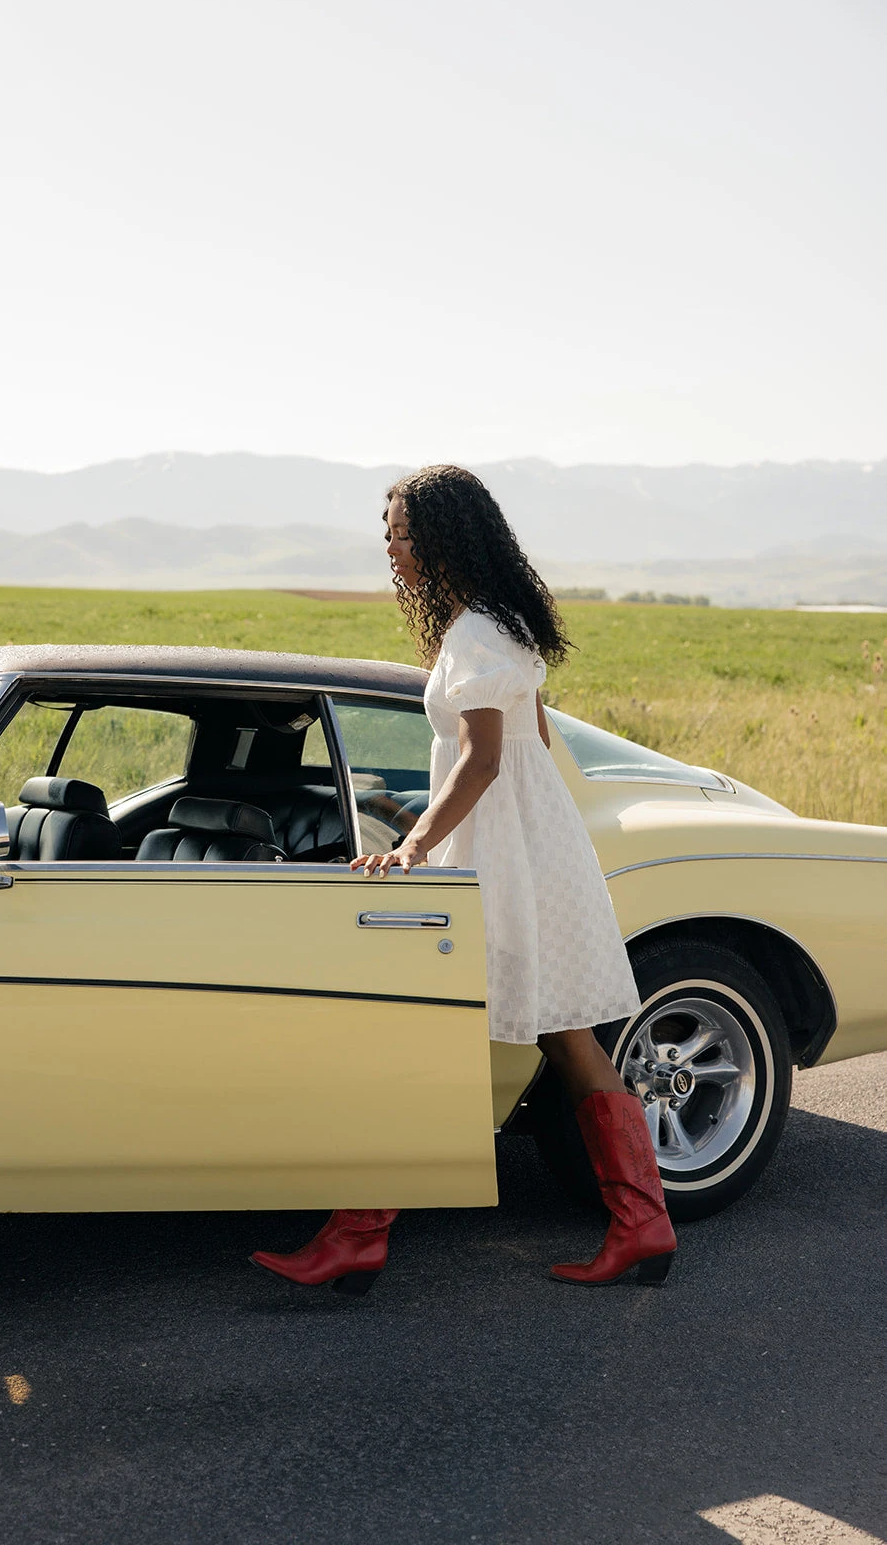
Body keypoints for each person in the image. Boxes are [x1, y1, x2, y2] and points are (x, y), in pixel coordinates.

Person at [250, 465, 676, 1293]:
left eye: (401, 532)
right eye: (387, 532)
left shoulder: (477, 636)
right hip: (526, 854)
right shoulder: (496, 625)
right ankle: (643, 1226)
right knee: (568, 1042)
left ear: (443, 540)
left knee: (422, 1041)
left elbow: (482, 760)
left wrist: (413, 846)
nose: (389, 546)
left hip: (500, 862)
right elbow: (531, 745)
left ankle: (358, 1236)